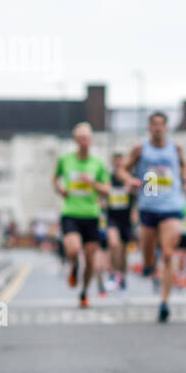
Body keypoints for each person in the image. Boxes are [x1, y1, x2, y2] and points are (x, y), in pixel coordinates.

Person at [118, 111, 186, 323]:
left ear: (166, 127)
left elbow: (184, 166)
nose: (158, 128)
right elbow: (123, 170)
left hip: (171, 205)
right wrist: (129, 180)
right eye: (154, 124)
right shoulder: (140, 148)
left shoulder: (175, 147)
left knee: (169, 254)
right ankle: (150, 264)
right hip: (149, 203)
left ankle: (164, 302)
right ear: (149, 127)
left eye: (162, 124)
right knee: (149, 255)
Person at [52, 122, 112, 308]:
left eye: (86, 138)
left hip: (91, 215)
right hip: (70, 212)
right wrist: (59, 189)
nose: (83, 142)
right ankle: (74, 266)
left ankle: (84, 292)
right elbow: (55, 178)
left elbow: (107, 190)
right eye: (80, 139)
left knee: (91, 259)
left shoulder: (98, 164)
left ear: (91, 140)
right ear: (75, 141)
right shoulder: (66, 160)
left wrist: (93, 183)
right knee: (73, 249)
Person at [104, 152, 135, 291]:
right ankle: (112, 273)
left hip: (126, 218)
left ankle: (122, 276)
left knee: (123, 252)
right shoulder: (108, 178)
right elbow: (102, 193)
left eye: (120, 161)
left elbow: (139, 195)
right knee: (114, 243)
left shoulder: (129, 179)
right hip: (112, 217)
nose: (118, 164)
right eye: (116, 161)